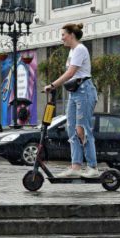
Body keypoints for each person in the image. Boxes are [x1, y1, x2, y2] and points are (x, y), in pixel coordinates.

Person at [44, 23, 99, 178]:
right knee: (72, 129)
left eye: (63, 35)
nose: (62, 38)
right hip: (74, 92)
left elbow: (71, 73)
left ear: (71, 35)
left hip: (84, 91)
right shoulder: (72, 51)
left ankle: (93, 167)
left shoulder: (80, 49)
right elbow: (70, 74)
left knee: (83, 129)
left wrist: (53, 85)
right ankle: (75, 167)